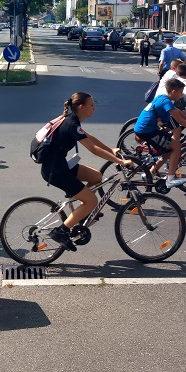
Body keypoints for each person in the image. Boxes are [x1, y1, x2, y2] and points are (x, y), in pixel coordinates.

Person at [43, 92, 133, 252]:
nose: (94, 108)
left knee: (97, 176)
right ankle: (60, 231)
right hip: (55, 171)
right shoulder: (71, 124)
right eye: (91, 105)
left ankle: (81, 213)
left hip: (59, 165)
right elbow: (93, 149)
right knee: (92, 201)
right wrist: (120, 161)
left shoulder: (72, 121)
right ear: (81, 107)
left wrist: (111, 149)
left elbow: (89, 137)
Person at [135, 78, 186, 186]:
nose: (181, 95)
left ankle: (150, 173)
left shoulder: (163, 97)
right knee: (176, 147)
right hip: (146, 130)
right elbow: (179, 121)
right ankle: (170, 180)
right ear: (174, 91)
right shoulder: (165, 101)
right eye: (181, 92)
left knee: (168, 150)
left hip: (146, 128)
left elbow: (178, 111)